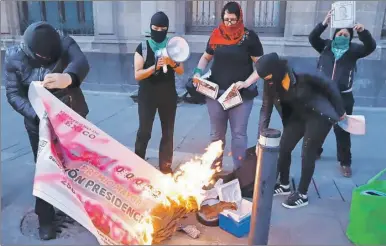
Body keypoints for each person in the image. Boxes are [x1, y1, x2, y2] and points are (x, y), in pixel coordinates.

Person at [4, 21, 90, 239]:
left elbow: (81, 61)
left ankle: (75, 207)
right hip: (39, 124)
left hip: (71, 116)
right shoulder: (14, 57)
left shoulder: (63, 41)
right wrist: (38, 115)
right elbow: (13, 95)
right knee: (46, 168)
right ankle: (46, 219)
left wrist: (69, 77)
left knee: (74, 164)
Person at [256, 52, 346, 209]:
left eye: (269, 77)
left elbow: (328, 84)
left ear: (276, 70)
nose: (268, 81)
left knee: (308, 150)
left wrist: (340, 111)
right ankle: (284, 185)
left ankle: (302, 194)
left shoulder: (301, 71)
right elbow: (266, 108)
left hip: (318, 114)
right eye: (265, 78)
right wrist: (261, 137)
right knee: (284, 147)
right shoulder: (270, 82)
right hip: (297, 116)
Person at [193, 1, 263, 170]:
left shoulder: (249, 37)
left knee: (239, 135)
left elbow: (261, 66)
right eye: (226, 19)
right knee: (216, 135)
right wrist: (197, 72)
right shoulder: (216, 34)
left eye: (232, 20)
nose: (229, 23)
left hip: (240, 95)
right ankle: (214, 170)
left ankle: (239, 172)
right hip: (216, 93)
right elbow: (206, 57)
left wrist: (246, 82)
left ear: (239, 18)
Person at [309, 10, 376, 177]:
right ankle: (316, 150)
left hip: (343, 97)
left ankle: (345, 162)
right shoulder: (325, 46)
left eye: (346, 35)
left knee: (343, 130)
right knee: (319, 125)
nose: (342, 36)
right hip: (323, 95)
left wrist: (363, 32)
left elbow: (370, 47)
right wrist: (323, 23)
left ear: (350, 38)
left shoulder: (354, 50)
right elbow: (312, 38)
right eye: (339, 33)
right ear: (334, 34)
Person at [134, 11, 184, 175]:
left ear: (167, 29)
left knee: (168, 132)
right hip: (147, 95)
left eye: (163, 28)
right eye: (155, 28)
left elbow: (182, 71)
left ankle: (165, 167)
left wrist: (172, 63)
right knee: (144, 131)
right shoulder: (142, 47)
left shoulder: (173, 47)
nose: (159, 31)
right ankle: (138, 162)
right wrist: (153, 68)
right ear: (150, 28)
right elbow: (137, 74)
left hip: (168, 95)